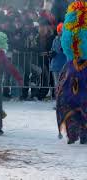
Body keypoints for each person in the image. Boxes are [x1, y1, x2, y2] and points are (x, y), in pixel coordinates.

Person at [56, 1, 87, 145]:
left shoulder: (71, 18)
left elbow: (65, 45)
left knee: (69, 101)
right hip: (76, 69)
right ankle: (78, 133)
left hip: (73, 68)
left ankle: (76, 133)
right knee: (72, 102)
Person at [50, 23, 67, 87]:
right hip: (55, 65)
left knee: (63, 83)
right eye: (59, 31)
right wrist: (51, 53)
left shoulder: (67, 40)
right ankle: (59, 96)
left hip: (64, 65)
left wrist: (64, 49)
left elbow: (69, 51)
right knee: (57, 84)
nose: (60, 32)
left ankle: (63, 96)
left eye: (62, 31)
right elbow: (53, 49)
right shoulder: (55, 40)